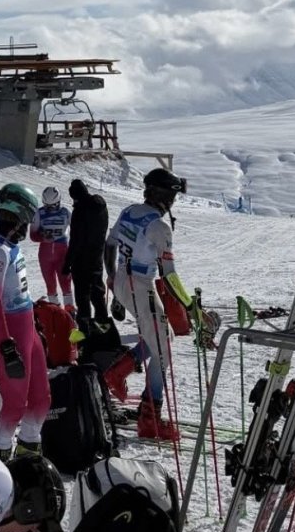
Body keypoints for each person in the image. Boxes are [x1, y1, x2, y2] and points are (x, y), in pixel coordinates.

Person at [105, 168, 200, 443]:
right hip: (141, 285)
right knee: (163, 353)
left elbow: (109, 246)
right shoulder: (160, 226)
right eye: (172, 196)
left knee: (163, 336)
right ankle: (150, 420)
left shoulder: (129, 211)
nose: (174, 201)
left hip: (125, 281)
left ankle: (121, 369)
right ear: (164, 196)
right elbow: (169, 275)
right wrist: (191, 307)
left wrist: (112, 279)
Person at [0, 184, 52, 459]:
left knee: (41, 399)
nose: (29, 227)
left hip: (26, 327)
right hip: (8, 332)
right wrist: (5, 345)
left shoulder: (9, 246)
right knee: (13, 406)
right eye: (28, 219)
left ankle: (29, 451)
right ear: (19, 216)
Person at [66, 178, 110, 334]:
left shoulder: (80, 211)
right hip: (97, 256)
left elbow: (75, 240)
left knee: (82, 296)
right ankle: (103, 329)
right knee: (98, 294)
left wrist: (67, 263)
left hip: (81, 261)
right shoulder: (101, 207)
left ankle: (85, 332)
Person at [29, 186, 73, 307]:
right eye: (47, 206)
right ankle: (56, 312)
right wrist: (42, 237)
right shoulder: (39, 213)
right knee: (50, 285)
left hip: (62, 253)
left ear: (59, 201)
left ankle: (70, 312)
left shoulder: (65, 211)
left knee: (66, 284)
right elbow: (32, 235)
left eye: (53, 206)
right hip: (45, 254)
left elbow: (77, 231)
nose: (50, 210)